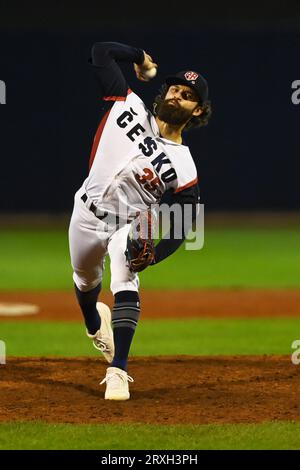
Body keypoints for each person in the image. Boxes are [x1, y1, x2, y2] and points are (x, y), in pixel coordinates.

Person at [68, 41, 211, 401]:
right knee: (85, 282)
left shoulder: (185, 166)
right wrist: (140, 57)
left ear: (198, 112)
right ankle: (93, 325)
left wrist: (155, 255)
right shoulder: (126, 102)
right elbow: (99, 52)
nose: (179, 95)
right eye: (176, 88)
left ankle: (119, 369)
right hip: (85, 213)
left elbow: (184, 222)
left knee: (124, 274)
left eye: (189, 95)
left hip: (125, 224)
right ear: (165, 91)